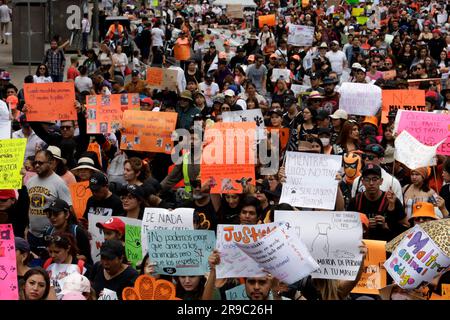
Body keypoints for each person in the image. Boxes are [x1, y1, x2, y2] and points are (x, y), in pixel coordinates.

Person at [26, 150, 73, 252]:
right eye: (35, 163)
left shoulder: (59, 183)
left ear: (51, 163)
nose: (37, 165)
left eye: (41, 163)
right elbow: (28, 206)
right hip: (32, 235)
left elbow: (68, 209)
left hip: (52, 235)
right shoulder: (29, 182)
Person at [348, 164, 407, 240]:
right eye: (367, 179)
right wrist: (364, 225)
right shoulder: (355, 201)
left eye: (375, 179)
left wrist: (386, 225)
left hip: (386, 248)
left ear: (381, 181)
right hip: (362, 247)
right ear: (362, 181)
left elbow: (406, 227)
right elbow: (348, 229)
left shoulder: (391, 200)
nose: (371, 183)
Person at [43, 198, 92, 265]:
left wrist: (67, 258)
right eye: (49, 214)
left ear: (67, 214)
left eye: (56, 214)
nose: (52, 217)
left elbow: (86, 256)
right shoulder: (48, 232)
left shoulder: (77, 231)